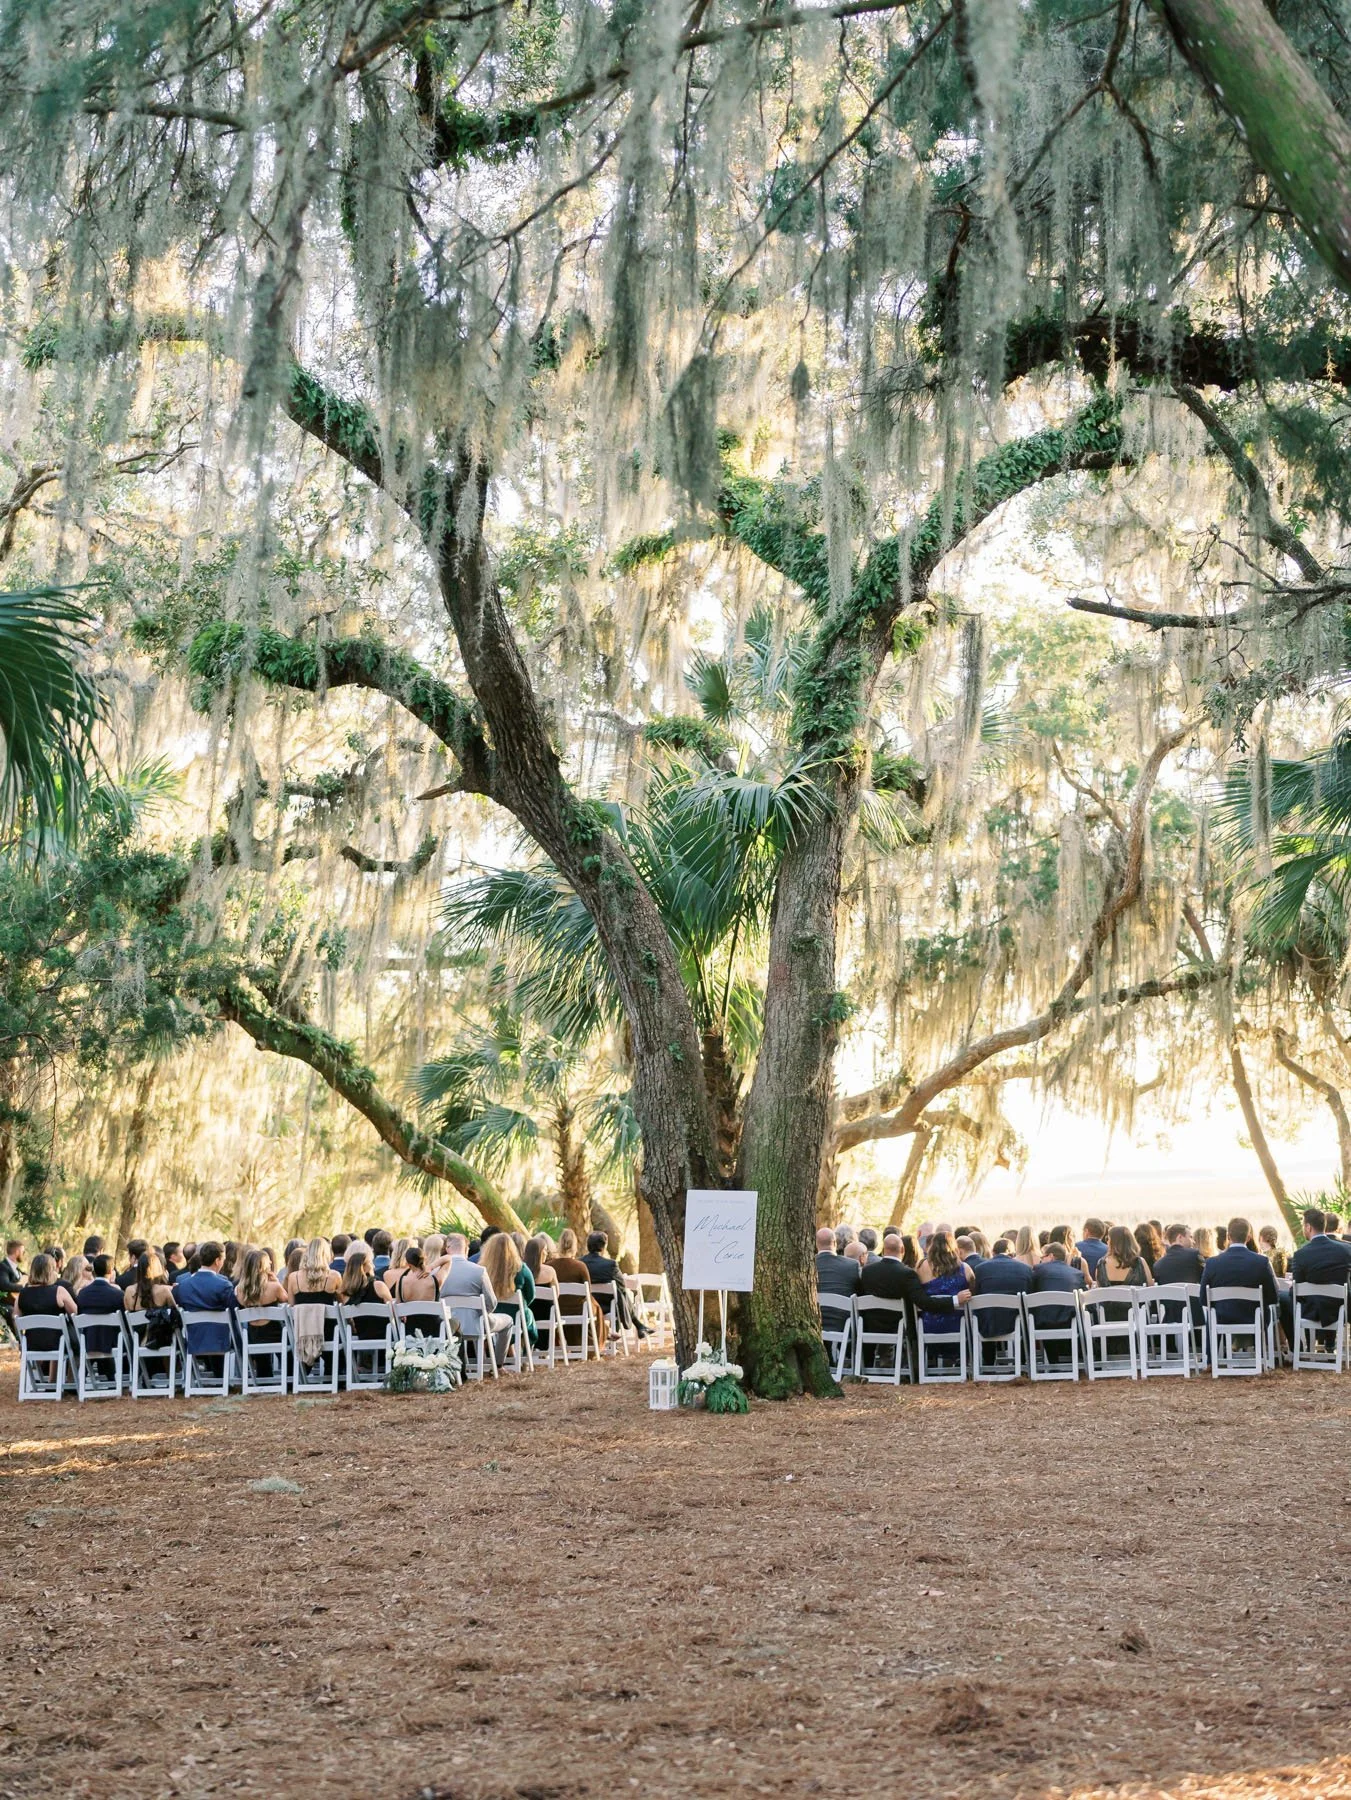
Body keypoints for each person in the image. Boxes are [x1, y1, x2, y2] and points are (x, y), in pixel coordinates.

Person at [1281, 1207, 1351, 1343]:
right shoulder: (1345, 1250)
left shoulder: (1301, 1254)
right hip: (1341, 1309)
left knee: (1283, 1298)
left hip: (1313, 1311)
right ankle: (1328, 1343)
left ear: (1308, 1227)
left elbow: (1296, 1290)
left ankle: (1299, 1346)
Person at [441, 1233, 512, 1366]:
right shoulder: (478, 1271)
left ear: (447, 1249)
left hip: (447, 1326)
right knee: (508, 1321)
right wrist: (480, 1314)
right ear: (466, 1249)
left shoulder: (437, 1272)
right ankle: (498, 1365)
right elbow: (492, 1302)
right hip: (476, 1324)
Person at [1200, 1217, 1280, 1334]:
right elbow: (1273, 1297)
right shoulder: (1261, 1262)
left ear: (1228, 1236)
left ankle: (1213, 1351)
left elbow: (1203, 1299)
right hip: (1254, 1318)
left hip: (1221, 1319)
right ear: (1248, 1238)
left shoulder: (1212, 1263)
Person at [174, 1241, 239, 1369]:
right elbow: (234, 1313)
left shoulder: (183, 1286)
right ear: (217, 1261)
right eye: (223, 1259)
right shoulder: (224, 1285)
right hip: (221, 1340)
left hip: (193, 1339)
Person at [580, 1230, 647, 1343]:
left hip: (587, 1305)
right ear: (604, 1247)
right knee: (620, 1294)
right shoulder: (610, 1264)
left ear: (588, 1245)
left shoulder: (580, 1263)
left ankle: (639, 1325)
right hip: (607, 1306)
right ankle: (636, 1325)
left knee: (620, 1293)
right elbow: (621, 1284)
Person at [916, 1229, 974, 1358]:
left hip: (929, 1325)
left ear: (932, 1247)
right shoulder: (965, 1269)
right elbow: (973, 1294)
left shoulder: (921, 1267)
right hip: (958, 1326)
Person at [480, 1231, 534, 1357]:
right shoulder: (522, 1269)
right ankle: (520, 1354)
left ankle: (505, 1351)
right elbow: (531, 1295)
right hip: (517, 1316)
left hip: (491, 1316)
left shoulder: (481, 1270)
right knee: (528, 1314)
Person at [971, 1238, 1033, 1341]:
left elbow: (976, 1294)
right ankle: (1023, 1356)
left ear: (993, 1252)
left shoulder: (980, 1269)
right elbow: (1030, 1294)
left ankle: (988, 1357)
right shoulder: (1025, 1269)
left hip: (987, 1323)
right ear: (1013, 1254)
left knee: (984, 1310)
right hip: (1017, 1322)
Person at [1029, 1242, 1087, 1351]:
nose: (1041, 1260)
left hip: (1043, 1322)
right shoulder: (1076, 1273)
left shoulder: (1038, 1270)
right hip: (1070, 1322)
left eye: (1043, 1257)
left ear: (1051, 1256)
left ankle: (1051, 1362)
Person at [75, 1253, 125, 1368]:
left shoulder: (82, 1294)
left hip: (88, 1342)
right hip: (112, 1343)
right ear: (111, 1271)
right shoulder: (117, 1295)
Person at [1095, 1225, 1154, 1291]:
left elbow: (1098, 1291)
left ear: (1112, 1242)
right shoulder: (1140, 1263)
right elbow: (1150, 1289)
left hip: (1107, 1301)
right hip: (1134, 1301)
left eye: (1108, 1239)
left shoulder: (1101, 1264)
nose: (1107, 1241)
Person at [815, 1225, 861, 1297]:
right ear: (834, 1243)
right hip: (844, 1307)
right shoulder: (853, 1265)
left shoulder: (809, 1265)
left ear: (816, 1244)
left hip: (817, 1307)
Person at [0, 1238, 24, 1342]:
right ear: (17, 1251)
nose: (23, 1254)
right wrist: (22, 1287)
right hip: (6, 1304)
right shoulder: (3, 1266)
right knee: (12, 1312)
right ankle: (20, 1340)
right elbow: (4, 1285)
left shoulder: (17, 1269)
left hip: (17, 1302)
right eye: (23, 1252)